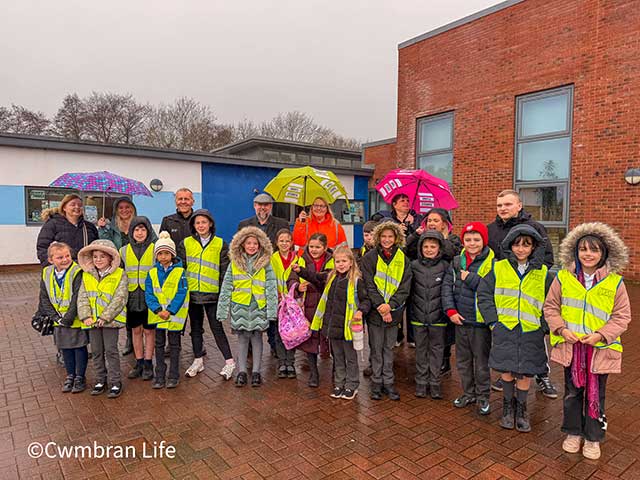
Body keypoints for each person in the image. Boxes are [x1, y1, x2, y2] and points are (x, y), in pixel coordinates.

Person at [543, 222, 631, 460]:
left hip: (600, 349)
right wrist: (561, 329)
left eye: (594, 250)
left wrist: (601, 335)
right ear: (575, 251)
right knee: (572, 393)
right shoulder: (563, 278)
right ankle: (572, 432)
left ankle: (593, 437)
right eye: (583, 249)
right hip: (572, 348)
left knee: (597, 394)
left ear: (603, 253)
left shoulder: (615, 282)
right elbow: (550, 307)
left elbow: (622, 316)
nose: (588, 254)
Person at [478, 225, 552, 432]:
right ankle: (507, 410)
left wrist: (544, 326)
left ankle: (522, 410)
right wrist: (493, 321)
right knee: (507, 370)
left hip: (531, 330)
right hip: (505, 328)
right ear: (510, 245)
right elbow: (484, 295)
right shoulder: (498, 268)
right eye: (517, 244)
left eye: (526, 245)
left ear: (534, 247)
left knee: (526, 371)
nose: (521, 249)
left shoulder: (543, 273)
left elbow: (553, 302)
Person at [487, 190, 557, 398]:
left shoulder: (535, 228)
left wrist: (531, 276)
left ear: (519, 205)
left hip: (530, 288)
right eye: (499, 205)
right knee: (507, 336)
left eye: (508, 204)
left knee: (534, 338)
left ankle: (542, 375)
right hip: (506, 290)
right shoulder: (491, 230)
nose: (503, 208)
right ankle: (507, 371)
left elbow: (548, 258)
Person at [442, 222, 495, 415]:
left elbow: (491, 289)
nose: (472, 243)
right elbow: (447, 287)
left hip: (481, 322)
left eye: (476, 239)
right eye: (468, 239)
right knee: (463, 362)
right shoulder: (457, 262)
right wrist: (450, 311)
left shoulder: (493, 262)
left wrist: (469, 278)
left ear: (484, 241)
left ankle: (483, 396)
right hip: (460, 320)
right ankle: (468, 393)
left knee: (481, 362)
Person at [177, 209, 235, 380]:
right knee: (195, 329)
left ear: (210, 223)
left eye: (204, 222)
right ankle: (197, 360)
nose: (201, 225)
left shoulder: (220, 244)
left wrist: (224, 293)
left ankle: (229, 362)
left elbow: (225, 272)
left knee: (217, 328)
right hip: (193, 293)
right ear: (193, 225)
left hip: (212, 295)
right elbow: (181, 269)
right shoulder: (185, 244)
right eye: (197, 223)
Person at [217, 227, 278, 387]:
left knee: (257, 338)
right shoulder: (234, 263)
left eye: (255, 243)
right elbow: (227, 286)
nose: (252, 246)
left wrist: (272, 310)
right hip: (240, 307)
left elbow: (271, 287)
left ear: (261, 245)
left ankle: (256, 371)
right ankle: (242, 371)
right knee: (242, 339)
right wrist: (222, 310)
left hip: (259, 306)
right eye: (248, 243)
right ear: (242, 245)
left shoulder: (266, 264)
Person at [308, 246, 371, 400]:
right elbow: (314, 277)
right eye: (337, 261)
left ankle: (352, 385)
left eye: (344, 261)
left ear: (351, 262)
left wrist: (360, 311)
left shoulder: (356, 281)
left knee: (350, 358)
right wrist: (300, 270)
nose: (341, 264)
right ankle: (339, 383)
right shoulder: (331, 278)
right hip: (333, 327)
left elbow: (366, 300)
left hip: (348, 327)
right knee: (338, 357)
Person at [360, 221, 412, 401]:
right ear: (378, 237)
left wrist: (390, 306)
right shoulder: (369, 258)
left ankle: (388, 383)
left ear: (397, 238)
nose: (387, 240)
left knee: (388, 349)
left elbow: (405, 287)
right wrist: (381, 306)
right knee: (376, 349)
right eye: (383, 236)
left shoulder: (403, 259)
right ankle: (376, 383)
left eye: (390, 236)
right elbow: (368, 285)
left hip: (394, 312)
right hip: (375, 313)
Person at [408, 208, 462, 375]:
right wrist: (416, 235)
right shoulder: (422, 237)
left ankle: (443, 362)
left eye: (436, 220)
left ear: (444, 223)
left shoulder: (452, 239)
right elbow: (408, 250)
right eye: (429, 220)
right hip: (424, 286)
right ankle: (425, 368)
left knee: (443, 330)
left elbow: (452, 253)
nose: (431, 223)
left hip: (443, 287)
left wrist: (441, 238)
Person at [238, 193, 289, 356]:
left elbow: (286, 246)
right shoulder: (244, 224)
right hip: (251, 276)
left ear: (271, 206)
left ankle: (275, 345)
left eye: (266, 204)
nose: (262, 207)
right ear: (254, 205)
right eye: (259, 204)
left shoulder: (282, 224)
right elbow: (239, 250)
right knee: (252, 310)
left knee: (273, 312)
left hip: (272, 275)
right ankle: (251, 347)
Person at [77, 239, 128, 398]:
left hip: (110, 322)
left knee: (111, 351)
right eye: (95, 256)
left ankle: (115, 381)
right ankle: (100, 379)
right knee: (97, 351)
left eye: (102, 257)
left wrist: (105, 317)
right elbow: (82, 297)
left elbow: (120, 298)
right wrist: (85, 316)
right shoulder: (86, 275)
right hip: (92, 322)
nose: (98, 260)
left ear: (111, 258)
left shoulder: (120, 275)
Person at [372, 193, 423, 347]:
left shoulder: (416, 219)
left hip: (412, 263)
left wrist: (412, 227)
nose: (406, 203)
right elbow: (398, 244)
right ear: (394, 204)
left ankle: (413, 337)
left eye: (408, 200)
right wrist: (398, 229)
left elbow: (419, 241)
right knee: (396, 300)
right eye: (402, 201)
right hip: (394, 266)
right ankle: (397, 335)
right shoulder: (388, 220)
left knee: (413, 301)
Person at [37, 242, 87, 393]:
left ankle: (80, 377)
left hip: (75, 319)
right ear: (51, 260)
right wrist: (55, 317)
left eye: (67, 256)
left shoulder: (77, 271)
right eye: (60, 257)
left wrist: (68, 317)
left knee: (79, 348)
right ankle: (70, 375)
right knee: (65, 349)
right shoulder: (46, 273)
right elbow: (44, 298)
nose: (65, 259)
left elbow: (78, 295)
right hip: (58, 320)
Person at [289, 233, 335, 387]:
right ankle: (314, 373)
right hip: (307, 304)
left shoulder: (332, 260)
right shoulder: (301, 259)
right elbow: (291, 278)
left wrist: (304, 273)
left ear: (325, 247)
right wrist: (296, 286)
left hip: (327, 304)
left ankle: (337, 371)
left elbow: (323, 279)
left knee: (330, 337)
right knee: (310, 338)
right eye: (312, 246)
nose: (314, 250)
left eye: (318, 247)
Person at [408, 230, 450, 400]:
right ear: (420, 247)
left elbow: (448, 291)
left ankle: (435, 383)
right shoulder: (414, 265)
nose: (429, 249)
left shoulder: (445, 267)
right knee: (420, 351)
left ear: (439, 248)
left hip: (438, 319)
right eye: (425, 246)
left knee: (437, 352)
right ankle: (421, 382)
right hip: (418, 317)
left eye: (433, 246)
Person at [147, 232, 189, 389]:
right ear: (156, 255)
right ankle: (159, 374)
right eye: (160, 253)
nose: (163, 257)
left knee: (174, 346)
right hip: (158, 316)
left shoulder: (180, 272)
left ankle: (173, 374)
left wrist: (170, 311)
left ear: (172, 254)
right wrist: (158, 310)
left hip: (173, 317)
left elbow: (181, 293)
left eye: (167, 253)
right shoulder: (151, 273)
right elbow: (149, 293)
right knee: (159, 345)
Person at [120, 217, 157, 381]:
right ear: (131, 232)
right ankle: (139, 362)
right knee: (136, 330)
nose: (140, 233)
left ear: (148, 231)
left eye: (143, 229)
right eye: (136, 229)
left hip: (150, 297)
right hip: (132, 297)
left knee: (149, 331)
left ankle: (149, 363)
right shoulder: (123, 251)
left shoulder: (155, 249)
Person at [36, 193, 99, 265]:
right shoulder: (52, 224)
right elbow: (42, 247)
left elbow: (96, 247)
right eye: (73, 204)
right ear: (64, 208)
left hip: (84, 268)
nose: (77, 207)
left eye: (80, 205)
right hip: (62, 268)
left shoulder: (89, 227)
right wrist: (51, 266)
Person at [270, 228, 300, 378]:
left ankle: (291, 362)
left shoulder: (297, 258)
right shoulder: (272, 258)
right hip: (278, 301)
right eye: (281, 241)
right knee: (279, 332)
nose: (284, 243)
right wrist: (276, 294)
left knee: (292, 332)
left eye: (287, 241)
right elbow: (269, 279)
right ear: (276, 242)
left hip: (293, 302)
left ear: (292, 242)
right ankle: (282, 362)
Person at [356, 220, 378, 377]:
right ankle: (369, 360)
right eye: (366, 234)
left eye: (371, 234)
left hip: (376, 295)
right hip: (364, 296)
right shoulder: (361, 250)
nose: (368, 237)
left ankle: (374, 362)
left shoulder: (379, 251)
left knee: (375, 334)